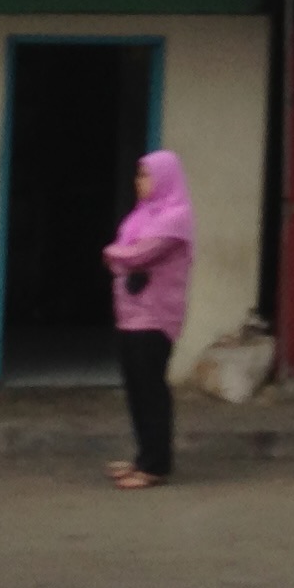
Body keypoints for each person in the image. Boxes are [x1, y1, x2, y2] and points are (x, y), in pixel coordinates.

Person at [102, 148, 194, 490]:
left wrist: (112, 254)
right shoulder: (141, 216)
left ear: (164, 177)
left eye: (146, 175)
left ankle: (156, 465)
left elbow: (141, 253)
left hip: (155, 317)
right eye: (138, 175)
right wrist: (119, 257)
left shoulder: (175, 217)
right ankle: (143, 457)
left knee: (151, 389)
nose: (139, 181)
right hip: (130, 314)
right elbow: (126, 256)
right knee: (136, 389)